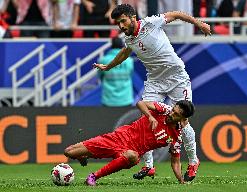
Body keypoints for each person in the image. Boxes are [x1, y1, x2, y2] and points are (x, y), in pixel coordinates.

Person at [94, 4, 211, 182]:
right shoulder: (130, 40)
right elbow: (125, 53)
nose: (121, 26)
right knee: (146, 119)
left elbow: (176, 14)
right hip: (155, 81)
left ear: (133, 17)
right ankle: (148, 166)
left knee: (183, 121)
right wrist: (108, 66)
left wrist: (198, 23)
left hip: (177, 77)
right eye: (118, 23)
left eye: (123, 21)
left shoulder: (150, 23)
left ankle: (194, 161)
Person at [64, 100, 195, 186]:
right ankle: (84, 156)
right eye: (173, 109)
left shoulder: (176, 137)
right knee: (69, 152)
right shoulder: (163, 109)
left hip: (131, 152)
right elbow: (141, 103)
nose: (171, 113)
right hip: (119, 137)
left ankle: (93, 177)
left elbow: (175, 162)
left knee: (133, 156)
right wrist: (149, 116)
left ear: (183, 118)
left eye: (176, 114)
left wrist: (181, 181)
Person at [98, 36, 134, 107]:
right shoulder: (129, 60)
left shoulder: (103, 60)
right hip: (126, 99)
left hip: (108, 100)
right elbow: (130, 74)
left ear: (111, 46)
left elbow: (100, 76)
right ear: (122, 45)